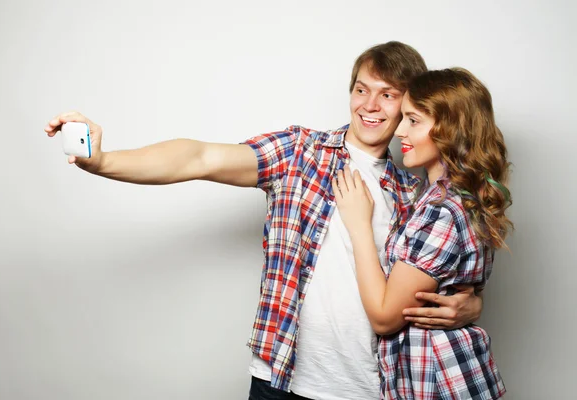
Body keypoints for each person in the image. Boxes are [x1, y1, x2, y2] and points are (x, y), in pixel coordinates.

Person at [44, 42, 484, 400]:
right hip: (282, 380)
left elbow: (433, 280)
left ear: (409, 104)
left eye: (388, 95)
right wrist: (102, 160)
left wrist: (468, 306)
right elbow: (198, 156)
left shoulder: (416, 193)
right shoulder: (300, 153)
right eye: (361, 89)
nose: (370, 105)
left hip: (376, 386)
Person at [334, 67, 511, 399]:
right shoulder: (431, 196)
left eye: (413, 120)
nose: (399, 130)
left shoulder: (442, 209)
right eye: (402, 118)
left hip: (443, 383)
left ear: (451, 129)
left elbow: (386, 318)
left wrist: (359, 226)